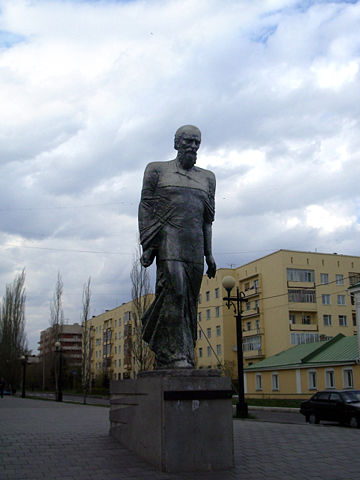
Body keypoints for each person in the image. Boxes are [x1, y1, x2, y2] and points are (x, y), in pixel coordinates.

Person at [138, 125, 216, 368]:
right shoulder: (156, 170)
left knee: (189, 303)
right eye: (188, 141)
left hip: (194, 245)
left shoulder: (207, 178)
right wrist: (148, 245)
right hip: (168, 240)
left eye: (196, 142)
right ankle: (175, 355)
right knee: (176, 292)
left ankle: (180, 352)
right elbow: (145, 207)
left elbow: (207, 220)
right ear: (176, 143)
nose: (192, 146)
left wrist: (209, 254)